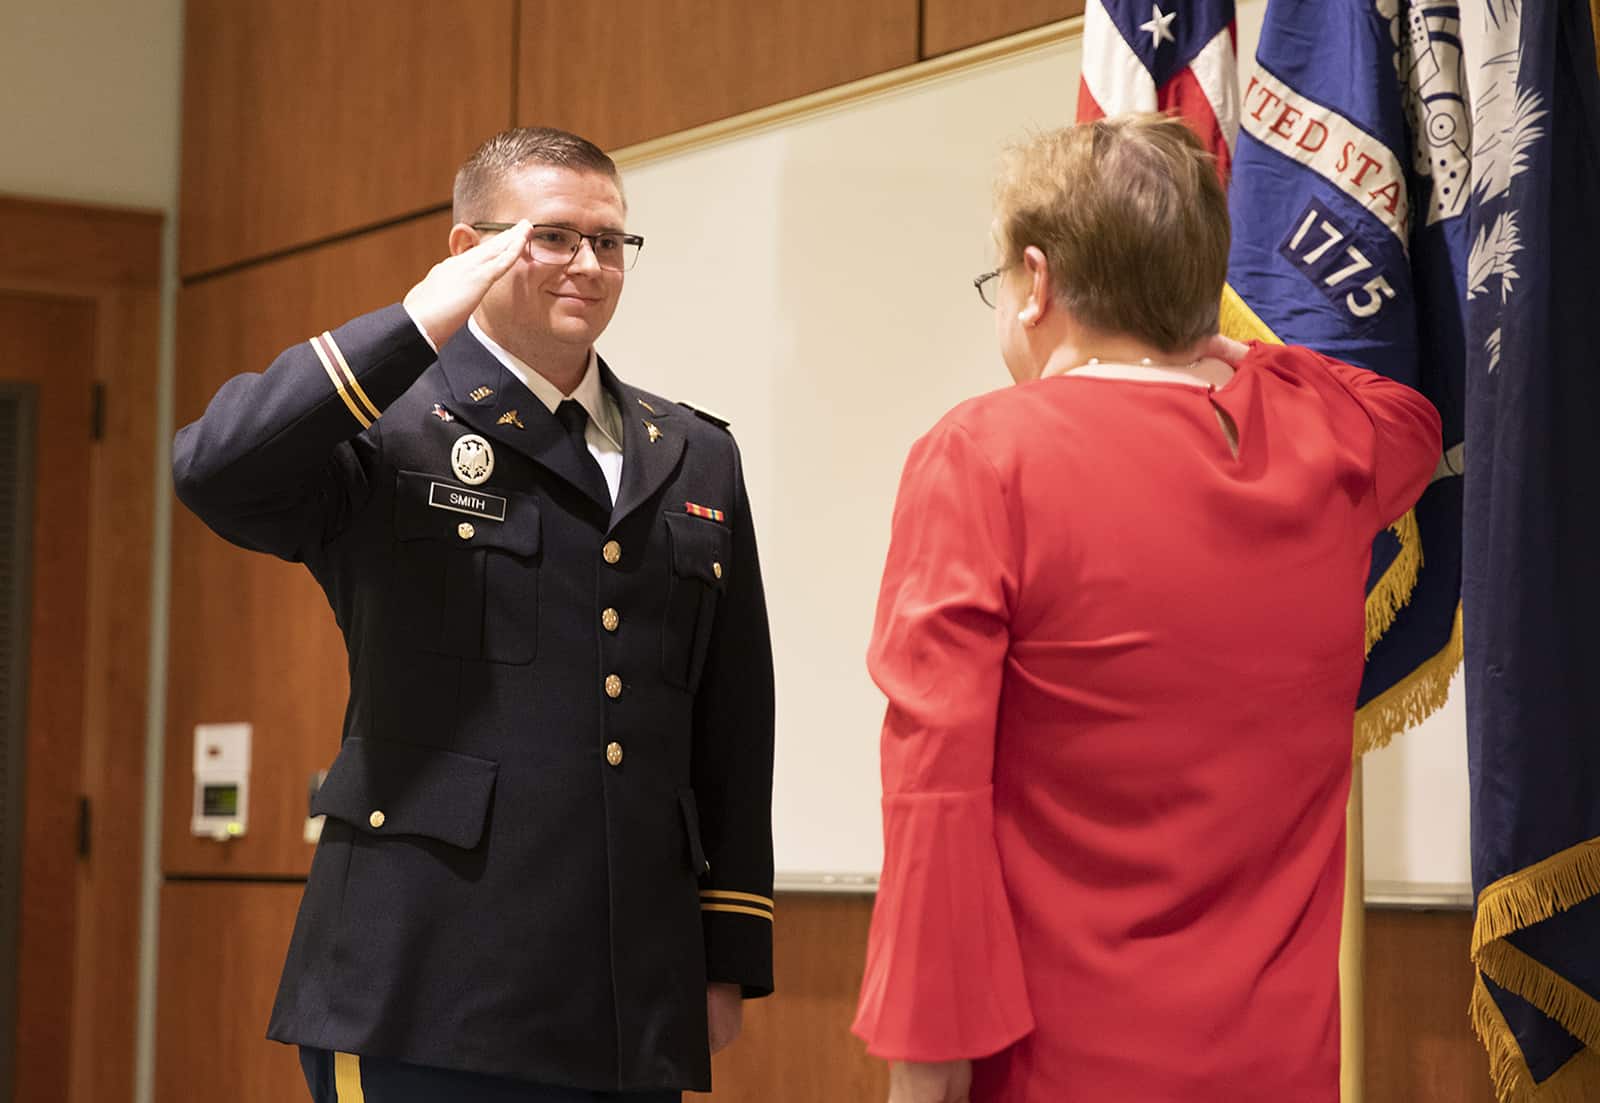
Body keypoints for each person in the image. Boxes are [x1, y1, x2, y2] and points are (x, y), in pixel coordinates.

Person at [173, 127, 776, 1102]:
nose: (587, 263)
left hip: (630, 990)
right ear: (468, 250)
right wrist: (413, 326)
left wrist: (727, 948)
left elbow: (732, 717)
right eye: (551, 237)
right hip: (424, 978)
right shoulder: (392, 425)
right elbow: (215, 466)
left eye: (610, 240)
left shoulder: (695, 454)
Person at [851, 114, 1441, 1103]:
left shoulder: (983, 454)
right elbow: (1407, 421)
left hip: (1057, 1064)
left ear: (1036, 282)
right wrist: (1222, 350)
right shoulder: (1317, 446)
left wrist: (924, 1071)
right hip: (1276, 1066)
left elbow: (933, 798)